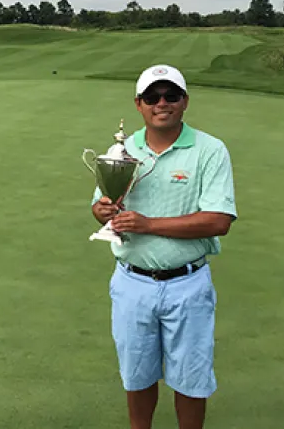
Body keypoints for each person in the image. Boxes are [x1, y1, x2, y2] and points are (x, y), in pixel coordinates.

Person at [90, 64, 238, 429]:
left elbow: (219, 220)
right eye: (153, 97)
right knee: (137, 375)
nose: (162, 103)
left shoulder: (210, 150)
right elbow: (100, 207)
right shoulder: (122, 150)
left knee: (191, 379)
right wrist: (102, 210)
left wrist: (148, 224)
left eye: (171, 95)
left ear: (185, 101)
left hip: (187, 284)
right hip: (132, 283)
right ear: (139, 104)